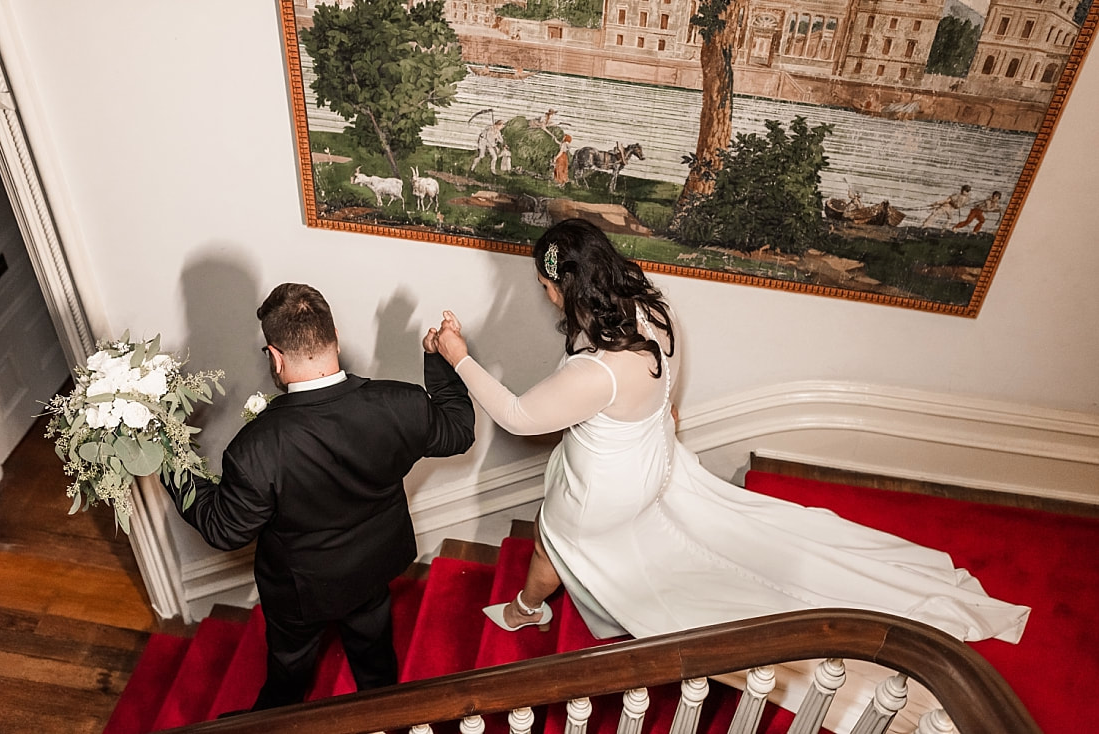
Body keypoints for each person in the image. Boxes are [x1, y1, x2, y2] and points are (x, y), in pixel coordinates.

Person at [426, 219, 1029, 726]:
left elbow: (519, 417)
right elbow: (665, 402)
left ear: (567, 284)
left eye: (546, 287)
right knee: (629, 542)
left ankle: (528, 608)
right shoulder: (648, 307)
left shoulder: (597, 370)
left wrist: (459, 354)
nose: (546, 297)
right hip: (648, 465)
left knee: (551, 544)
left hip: (600, 488)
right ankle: (587, 603)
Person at [164, 283, 475, 711]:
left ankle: (276, 717)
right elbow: (459, 429)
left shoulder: (257, 448)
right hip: (374, 565)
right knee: (374, 647)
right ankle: (383, 708)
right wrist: (439, 362)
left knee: (290, 670)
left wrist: (167, 461)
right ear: (335, 341)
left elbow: (224, 528)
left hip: (299, 592)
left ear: (274, 356)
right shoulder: (400, 404)